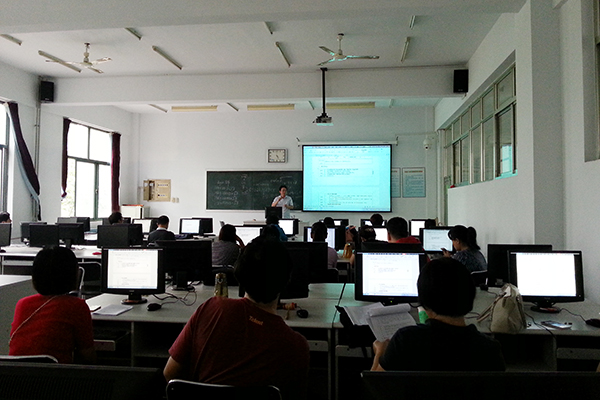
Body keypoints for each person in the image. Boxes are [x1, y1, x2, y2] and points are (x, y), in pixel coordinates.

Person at [164, 238, 310, 400]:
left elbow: (170, 373)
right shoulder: (296, 346)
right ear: (287, 279)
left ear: (240, 273)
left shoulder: (211, 309)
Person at [371, 257, 505, 372]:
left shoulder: (406, 340)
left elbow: (376, 385)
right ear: (470, 296)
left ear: (423, 300)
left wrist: (380, 352)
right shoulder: (490, 350)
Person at [9, 246, 96, 364]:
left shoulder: (22, 303)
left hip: (14, 372)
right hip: (54, 373)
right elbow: (87, 354)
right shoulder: (76, 306)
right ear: (73, 274)